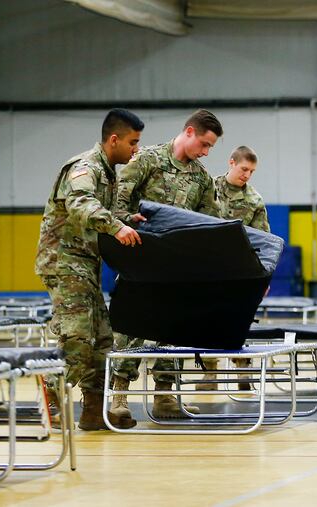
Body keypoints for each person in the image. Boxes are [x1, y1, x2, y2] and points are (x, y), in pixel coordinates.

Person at [110, 109, 223, 423]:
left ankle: (165, 396)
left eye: (210, 147)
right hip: (141, 257)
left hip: (177, 265)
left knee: (173, 329)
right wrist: (126, 224)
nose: (206, 151)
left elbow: (210, 221)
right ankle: (118, 397)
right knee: (131, 326)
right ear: (189, 132)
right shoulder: (147, 160)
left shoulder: (200, 177)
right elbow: (119, 199)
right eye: (204, 143)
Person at [35, 109, 144, 431]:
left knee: (102, 339)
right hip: (63, 261)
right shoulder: (85, 167)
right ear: (114, 139)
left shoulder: (109, 172)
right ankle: (51, 395)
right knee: (78, 337)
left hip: (84, 264)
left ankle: (94, 410)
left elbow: (102, 210)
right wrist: (115, 227)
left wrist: (126, 220)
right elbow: (81, 204)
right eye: (133, 142)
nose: (136, 149)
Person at [202, 145, 270, 390]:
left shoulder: (253, 200)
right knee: (207, 320)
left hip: (239, 270)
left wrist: (263, 279)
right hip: (208, 267)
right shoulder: (208, 188)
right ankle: (210, 373)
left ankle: (243, 369)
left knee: (239, 319)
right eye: (244, 169)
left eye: (251, 171)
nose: (247, 175)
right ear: (231, 162)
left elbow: (263, 240)